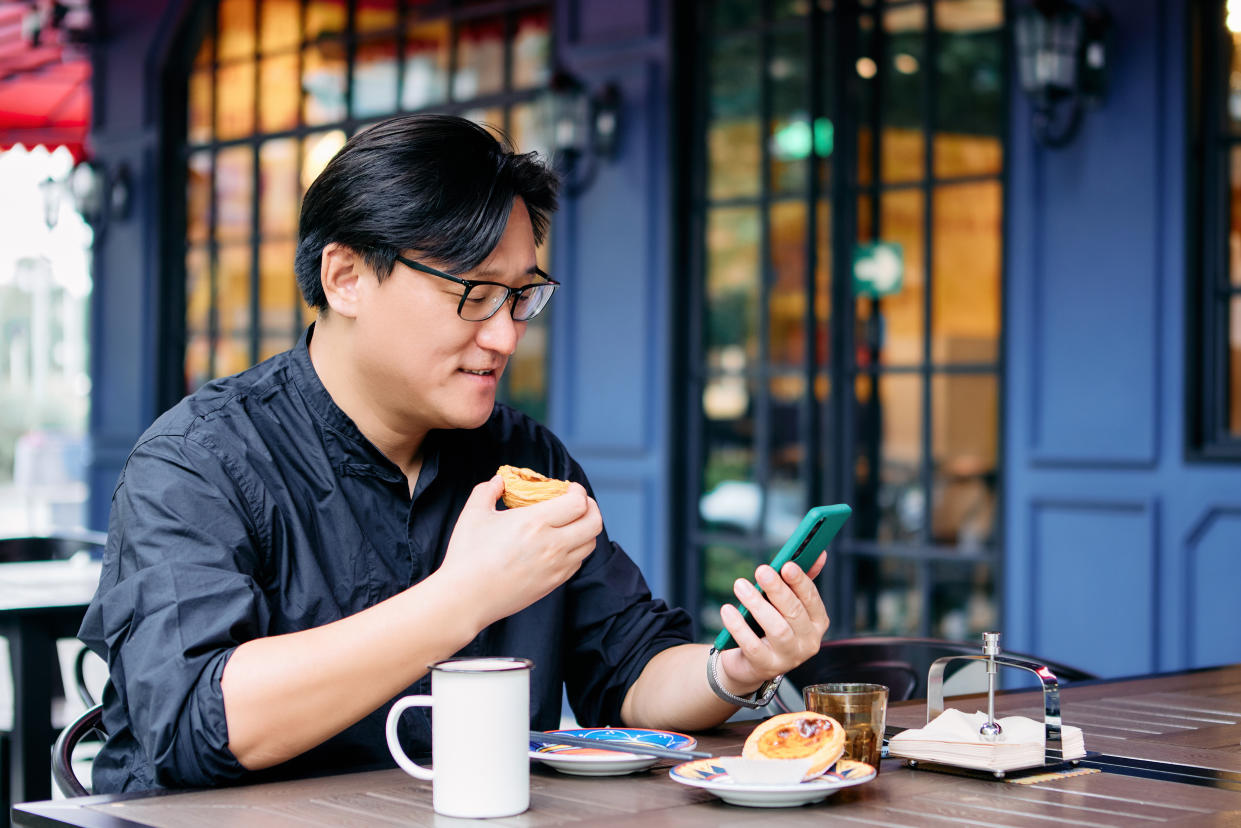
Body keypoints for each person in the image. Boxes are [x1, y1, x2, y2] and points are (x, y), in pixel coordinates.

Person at [78, 114, 830, 793]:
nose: (504, 336)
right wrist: (464, 595)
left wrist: (732, 669)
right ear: (345, 277)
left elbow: (628, 673)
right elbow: (194, 723)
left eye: (520, 298)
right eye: (472, 294)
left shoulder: (522, 459)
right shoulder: (197, 461)